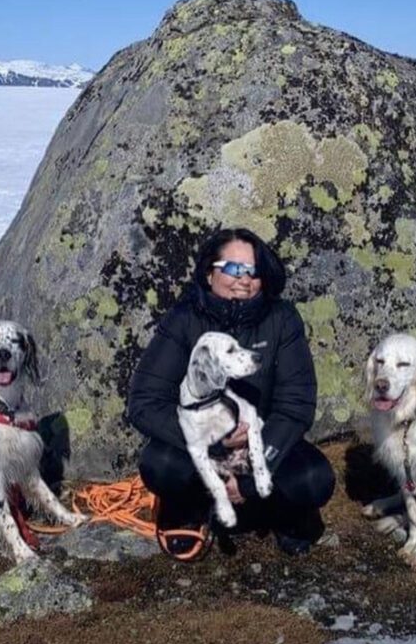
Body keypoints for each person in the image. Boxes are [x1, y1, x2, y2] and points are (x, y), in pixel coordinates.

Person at [126, 227, 335, 558]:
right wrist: (211, 442)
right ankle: (189, 511)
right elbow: (144, 402)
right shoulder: (184, 319)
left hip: (261, 443)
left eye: (254, 271)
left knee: (314, 479)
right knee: (160, 464)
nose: (245, 279)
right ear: (210, 273)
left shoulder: (282, 319)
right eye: (234, 269)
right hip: (200, 443)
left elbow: (296, 405)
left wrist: (256, 468)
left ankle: (282, 514)